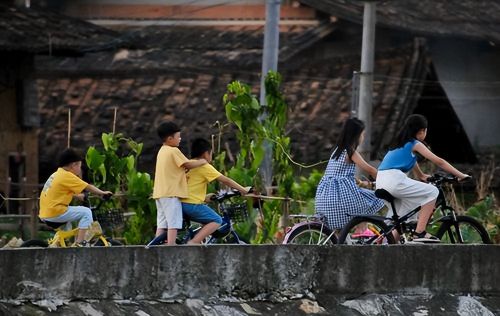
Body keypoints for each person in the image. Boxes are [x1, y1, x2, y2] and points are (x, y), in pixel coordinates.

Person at [376, 114, 469, 242]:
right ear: (421, 131)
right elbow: (439, 161)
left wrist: (422, 176)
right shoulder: (415, 144)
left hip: (381, 181)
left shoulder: (399, 144)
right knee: (432, 191)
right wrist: (461, 175)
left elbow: (414, 165)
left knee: (403, 217)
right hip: (394, 180)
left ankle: (385, 244)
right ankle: (420, 232)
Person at [315, 118, 384, 232]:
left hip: (324, 199)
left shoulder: (336, 151)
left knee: (339, 233)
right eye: (362, 134)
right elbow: (370, 169)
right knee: (373, 199)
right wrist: (385, 180)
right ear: (356, 136)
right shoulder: (350, 152)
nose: (363, 137)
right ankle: (361, 232)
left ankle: (356, 232)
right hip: (340, 197)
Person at [181, 138, 250, 244]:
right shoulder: (203, 166)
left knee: (205, 222)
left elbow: (190, 187)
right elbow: (225, 180)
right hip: (192, 205)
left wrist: (204, 197)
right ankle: (193, 242)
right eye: (211, 153)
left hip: (181, 203)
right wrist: (243, 190)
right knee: (217, 220)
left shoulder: (188, 165)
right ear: (205, 154)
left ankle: (197, 242)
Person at [39, 148, 113, 247]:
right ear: (74, 165)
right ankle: (80, 243)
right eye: (80, 166)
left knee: (68, 228)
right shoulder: (67, 176)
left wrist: (78, 196)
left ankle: (59, 245)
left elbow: (59, 191)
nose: (80, 169)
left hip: (46, 212)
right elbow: (88, 187)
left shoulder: (57, 174)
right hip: (56, 211)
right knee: (86, 212)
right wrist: (102, 193)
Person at [152, 122, 207, 245]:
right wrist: (202, 162)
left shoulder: (162, 151)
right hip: (171, 193)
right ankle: (171, 245)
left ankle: (157, 244)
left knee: (162, 223)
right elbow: (187, 164)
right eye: (178, 136)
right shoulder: (173, 150)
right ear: (170, 139)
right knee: (173, 222)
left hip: (160, 193)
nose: (180, 139)